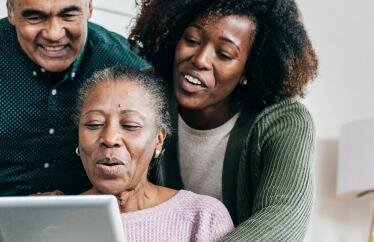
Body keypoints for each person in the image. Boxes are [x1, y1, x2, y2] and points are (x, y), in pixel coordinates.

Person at [130, 0, 318, 241]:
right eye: (192, 40)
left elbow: (283, 217)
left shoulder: (285, 122)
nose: (200, 59)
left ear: (248, 70)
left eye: (224, 54)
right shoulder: (145, 95)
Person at [0, 0, 147, 195]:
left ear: (90, 8)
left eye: (68, 16)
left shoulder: (130, 66)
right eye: (35, 17)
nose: (54, 34)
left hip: (96, 213)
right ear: (11, 12)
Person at [74, 66, 234, 241]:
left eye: (130, 125)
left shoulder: (202, 218)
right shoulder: (53, 219)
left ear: (158, 140)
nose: (109, 138)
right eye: (94, 124)